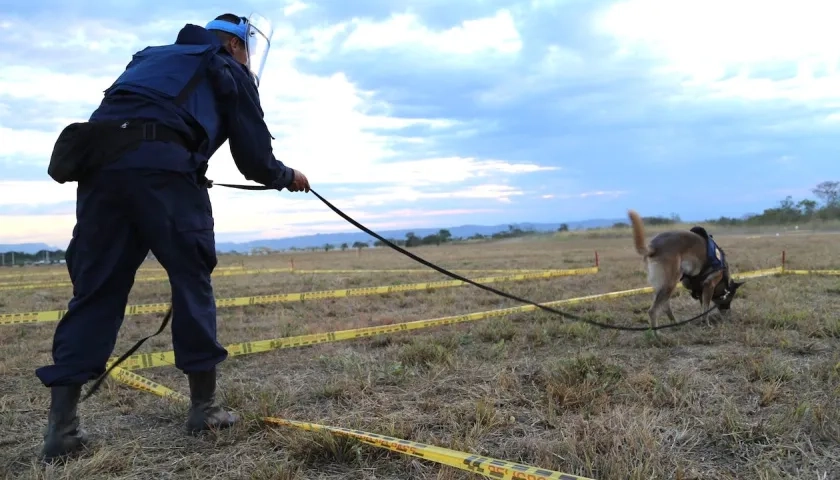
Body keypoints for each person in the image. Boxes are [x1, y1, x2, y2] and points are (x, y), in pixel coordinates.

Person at [35, 13, 309, 463]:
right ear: (237, 46)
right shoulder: (225, 66)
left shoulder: (150, 58)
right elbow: (254, 158)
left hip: (101, 172)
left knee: (94, 294)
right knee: (191, 282)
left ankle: (61, 431)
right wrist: (287, 177)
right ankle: (204, 409)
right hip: (165, 176)